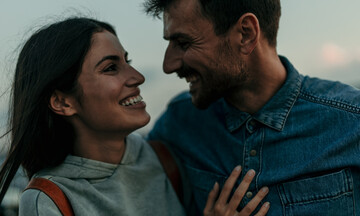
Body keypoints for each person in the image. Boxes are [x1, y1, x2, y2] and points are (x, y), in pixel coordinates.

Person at [0, 17, 270, 215]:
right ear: (62, 101)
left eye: (127, 61)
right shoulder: (48, 200)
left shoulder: (165, 160)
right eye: (110, 68)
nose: (137, 77)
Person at [142, 0, 360, 215]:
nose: (168, 64)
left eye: (183, 43)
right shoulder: (179, 123)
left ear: (246, 34)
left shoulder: (352, 122)